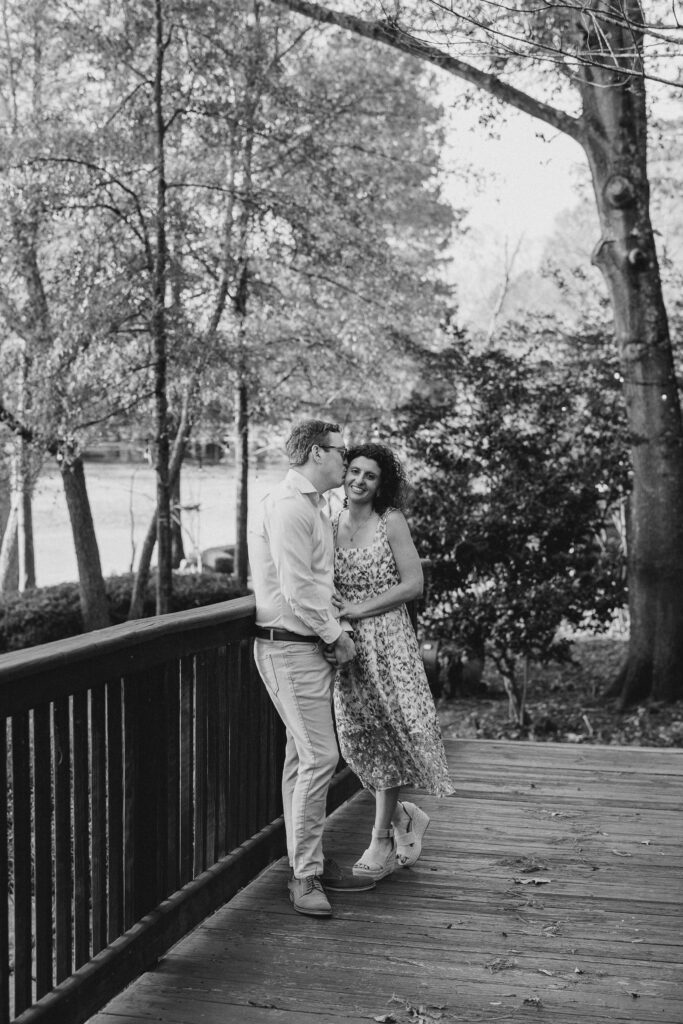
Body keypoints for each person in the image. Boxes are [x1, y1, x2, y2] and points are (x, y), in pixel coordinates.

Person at [247, 420, 375, 918]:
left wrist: (336, 618)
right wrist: (336, 636)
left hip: (307, 646)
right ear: (317, 453)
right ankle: (304, 876)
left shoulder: (316, 506)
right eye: (341, 451)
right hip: (287, 649)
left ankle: (309, 862)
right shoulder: (287, 506)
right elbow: (297, 589)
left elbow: (317, 582)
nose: (346, 459)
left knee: (303, 759)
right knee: (321, 756)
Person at [332, 442, 455, 881]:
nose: (359, 481)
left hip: (390, 643)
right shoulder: (330, 522)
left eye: (370, 475)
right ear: (343, 473)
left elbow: (414, 584)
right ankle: (404, 816)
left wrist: (358, 609)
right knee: (355, 740)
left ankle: (381, 839)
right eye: (354, 471)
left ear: (381, 484)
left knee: (387, 737)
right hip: (349, 648)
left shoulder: (390, 521)